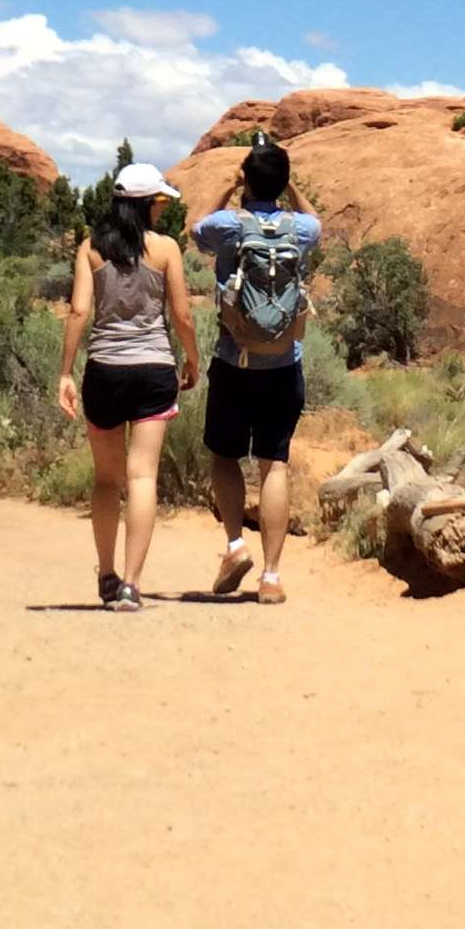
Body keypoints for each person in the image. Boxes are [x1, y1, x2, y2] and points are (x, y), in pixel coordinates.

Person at [57, 159, 199, 610]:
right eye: (159, 201)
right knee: (142, 477)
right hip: (154, 369)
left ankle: (105, 574)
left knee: (106, 480)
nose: (162, 208)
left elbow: (79, 311)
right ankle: (132, 585)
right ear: (145, 205)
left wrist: (64, 372)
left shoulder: (89, 249)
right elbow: (182, 315)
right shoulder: (166, 250)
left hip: (104, 369)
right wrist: (193, 358)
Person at [191, 136, 322, 605]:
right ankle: (271, 576)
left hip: (234, 361)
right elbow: (316, 222)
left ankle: (233, 545)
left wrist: (229, 185)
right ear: (282, 183)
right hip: (284, 364)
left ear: (248, 178)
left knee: (225, 456)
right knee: (274, 464)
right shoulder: (300, 230)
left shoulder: (230, 225)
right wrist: (291, 188)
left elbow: (196, 227)